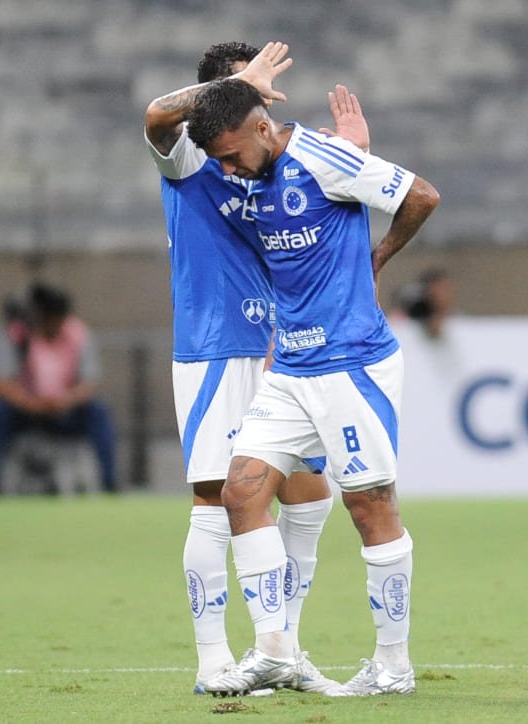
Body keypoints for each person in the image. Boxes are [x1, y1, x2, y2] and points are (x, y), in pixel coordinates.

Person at [183, 71, 441, 697]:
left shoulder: (322, 158)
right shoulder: (253, 172)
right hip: (290, 367)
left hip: (351, 364)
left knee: (369, 506)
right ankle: (274, 650)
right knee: (242, 493)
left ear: (263, 127)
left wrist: (377, 256)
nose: (231, 170)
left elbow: (421, 196)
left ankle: (393, 666)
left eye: (233, 155)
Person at [144, 41, 370, 696]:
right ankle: (212, 657)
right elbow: (155, 116)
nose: (262, 108)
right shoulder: (187, 158)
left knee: (308, 497)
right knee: (216, 500)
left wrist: (353, 154)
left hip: (290, 350)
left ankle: (282, 651)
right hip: (218, 347)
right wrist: (235, 84)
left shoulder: (268, 162)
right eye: (249, 94)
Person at [0, 283, 117, 494]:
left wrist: (66, 400)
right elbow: (2, 382)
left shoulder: (77, 334)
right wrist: (29, 403)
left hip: (66, 409)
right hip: (27, 410)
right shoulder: (19, 336)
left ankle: (109, 484)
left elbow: (90, 382)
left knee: (98, 411)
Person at [391, 267, 455, 340]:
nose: (445, 295)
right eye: (439, 290)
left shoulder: (456, 324)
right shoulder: (403, 324)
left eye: (446, 290)